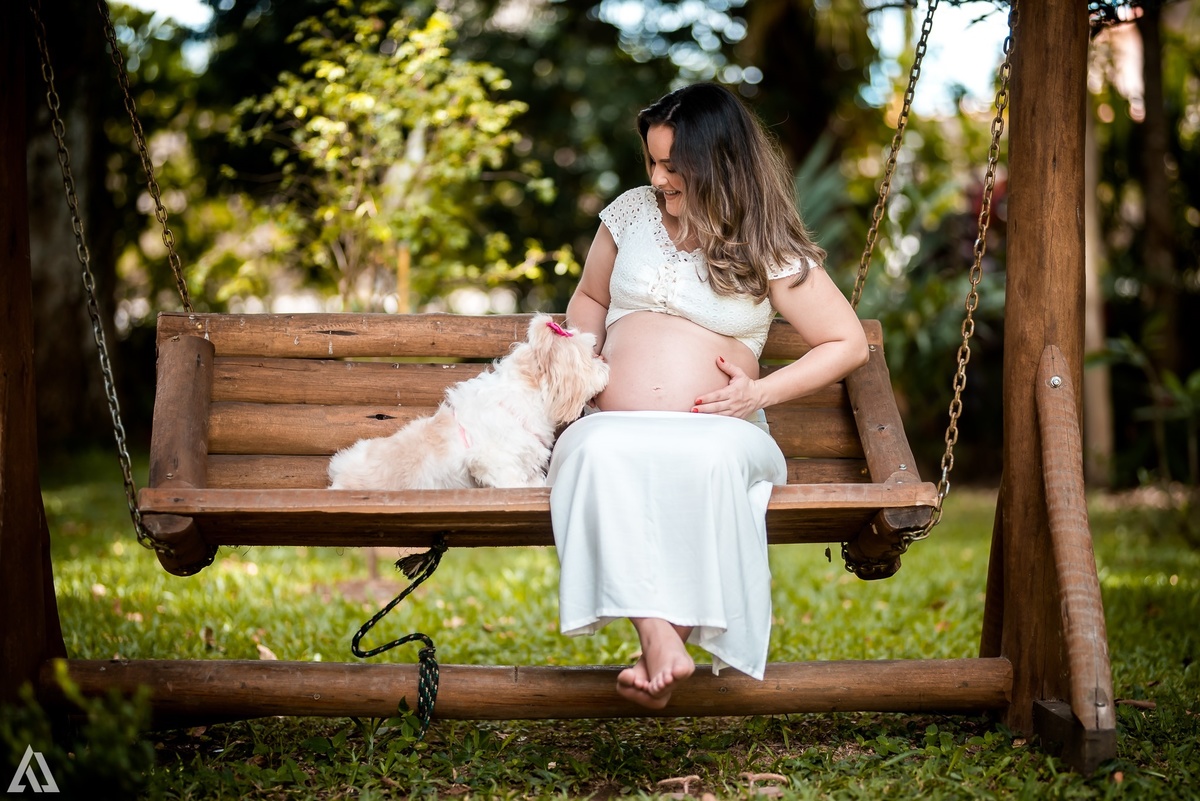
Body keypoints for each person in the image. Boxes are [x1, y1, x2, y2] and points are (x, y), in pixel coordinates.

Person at [548, 82, 869, 709]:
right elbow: (591, 297)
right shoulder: (631, 214)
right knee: (590, 452)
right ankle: (658, 635)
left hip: (718, 429)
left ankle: (664, 642)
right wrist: (577, 367)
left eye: (674, 165)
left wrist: (758, 393)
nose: (660, 178)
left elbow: (846, 342)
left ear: (718, 162)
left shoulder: (763, 240)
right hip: (614, 425)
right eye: (652, 161)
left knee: (707, 463)